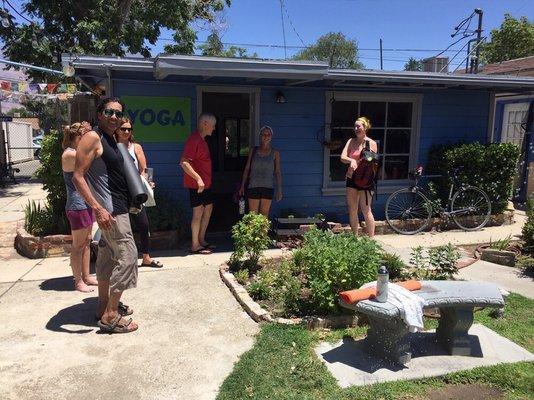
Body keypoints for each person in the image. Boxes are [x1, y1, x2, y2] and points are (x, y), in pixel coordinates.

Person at [73, 97, 139, 334]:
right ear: (100, 114)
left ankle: (102, 307)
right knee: (129, 257)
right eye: (109, 112)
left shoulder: (111, 138)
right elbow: (78, 176)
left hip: (116, 208)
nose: (114, 117)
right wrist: (97, 209)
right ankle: (111, 315)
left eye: (118, 114)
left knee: (108, 259)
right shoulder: (93, 137)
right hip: (110, 211)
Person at [114, 118, 163, 268]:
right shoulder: (111, 146)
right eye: (123, 129)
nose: (127, 132)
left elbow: (145, 169)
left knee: (143, 224)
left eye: (129, 129)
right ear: (117, 130)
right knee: (120, 227)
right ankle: (120, 259)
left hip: (135, 193)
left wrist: (148, 182)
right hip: (118, 192)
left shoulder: (136, 147)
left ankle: (146, 257)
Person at [61, 122, 98, 292]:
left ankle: (87, 276)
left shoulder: (77, 152)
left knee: (87, 241)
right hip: (77, 206)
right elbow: (92, 158)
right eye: (82, 137)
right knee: (78, 246)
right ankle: (78, 281)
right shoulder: (70, 154)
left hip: (86, 203)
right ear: (76, 138)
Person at [180, 112, 216, 255]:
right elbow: (183, 162)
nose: (213, 129)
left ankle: (201, 240)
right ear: (205, 124)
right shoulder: (193, 139)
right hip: (197, 185)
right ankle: (195, 245)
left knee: (208, 209)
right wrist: (198, 179)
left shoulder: (203, 140)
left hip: (206, 184)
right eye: (212, 126)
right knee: (198, 212)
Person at [340, 116, 378, 237]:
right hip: (351, 178)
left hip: (365, 180)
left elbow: (372, 161)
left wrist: (363, 159)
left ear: (365, 127)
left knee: (366, 210)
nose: (356, 128)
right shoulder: (351, 141)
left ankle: (371, 240)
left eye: (359, 126)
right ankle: (354, 238)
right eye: (355, 126)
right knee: (352, 209)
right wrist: (351, 160)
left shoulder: (371, 143)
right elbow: (342, 157)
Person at [239, 126, 282, 217]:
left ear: (271, 136)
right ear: (260, 136)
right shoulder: (253, 151)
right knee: (253, 215)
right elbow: (247, 169)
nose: (266, 136)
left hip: (267, 187)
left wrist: (279, 189)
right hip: (253, 186)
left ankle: (262, 232)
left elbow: (277, 172)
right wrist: (242, 185)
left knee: (264, 215)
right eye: (263, 134)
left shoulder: (275, 153)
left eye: (268, 134)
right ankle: (253, 232)